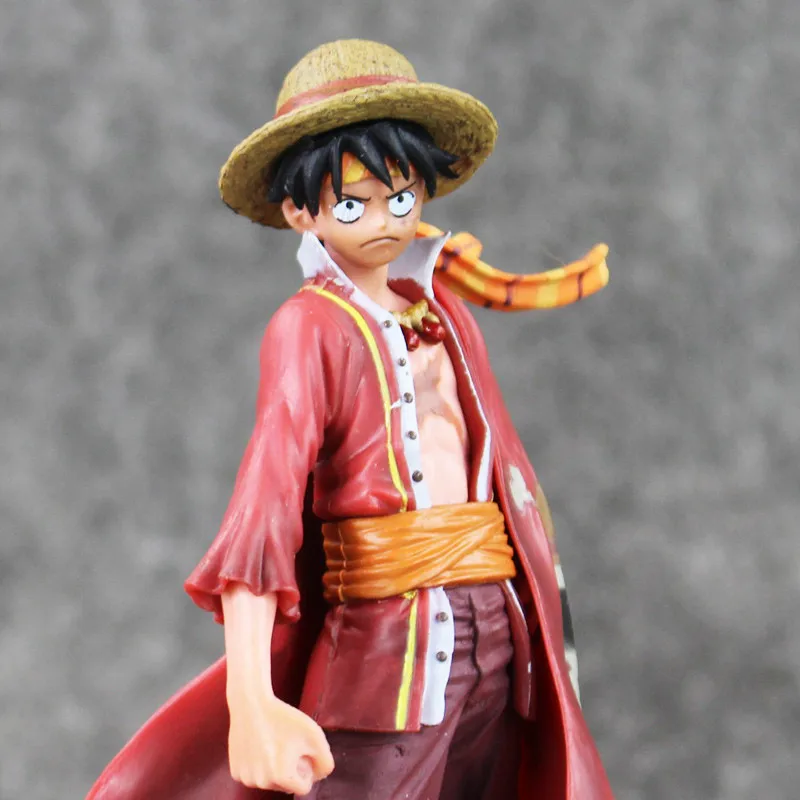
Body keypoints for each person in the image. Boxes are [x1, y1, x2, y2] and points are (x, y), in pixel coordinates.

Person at [88, 39, 614, 800]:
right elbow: (263, 514)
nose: (382, 222)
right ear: (300, 211)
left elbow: (501, 471)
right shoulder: (310, 328)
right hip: (388, 649)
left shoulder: (443, 312)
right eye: (349, 204)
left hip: (499, 635)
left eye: (400, 199)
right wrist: (250, 699)